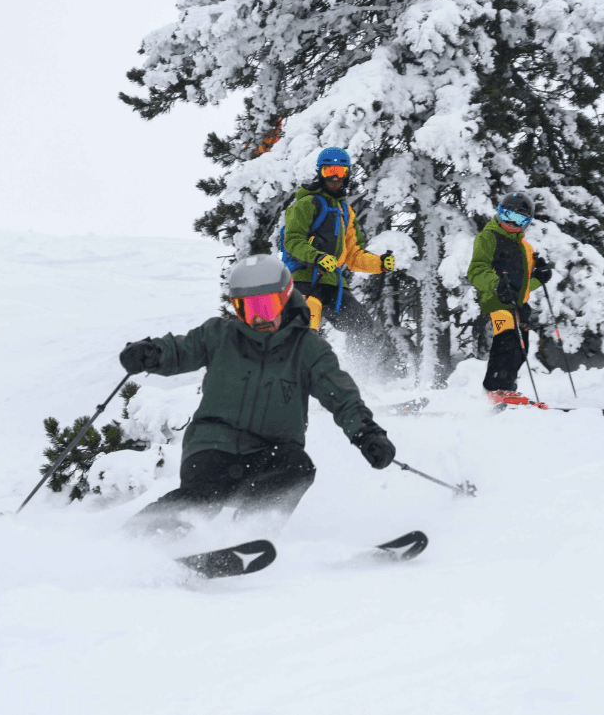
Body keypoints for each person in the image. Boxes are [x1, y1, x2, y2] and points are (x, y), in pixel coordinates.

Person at [119, 254, 396, 535]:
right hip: (214, 444)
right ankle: (137, 537)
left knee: (297, 467)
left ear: (285, 299)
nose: (259, 318)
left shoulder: (308, 349)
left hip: (271, 450)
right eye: (247, 309)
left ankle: (247, 535)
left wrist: (367, 434)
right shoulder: (220, 335)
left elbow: (341, 395)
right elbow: (181, 350)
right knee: (203, 498)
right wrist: (152, 354)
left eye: (266, 306)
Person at [282, 147, 395, 367]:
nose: (334, 177)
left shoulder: (345, 211)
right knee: (307, 329)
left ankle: (357, 375)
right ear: (320, 173)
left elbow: (353, 254)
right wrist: (317, 257)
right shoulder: (306, 204)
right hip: (304, 280)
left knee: (363, 325)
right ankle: (298, 378)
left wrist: (379, 264)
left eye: (340, 172)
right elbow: (293, 241)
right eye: (329, 171)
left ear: (347, 174)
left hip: (333, 285)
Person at [466, 191, 552, 405]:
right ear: (499, 213)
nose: (511, 223)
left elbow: (523, 285)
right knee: (507, 339)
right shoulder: (489, 237)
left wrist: (539, 277)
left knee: (522, 347)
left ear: (527, 222)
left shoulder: (525, 247)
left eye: (519, 219)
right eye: (507, 216)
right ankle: (496, 388)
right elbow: (476, 270)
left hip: (518, 304)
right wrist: (496, 284)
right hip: (496, 300)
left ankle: (506, 390)